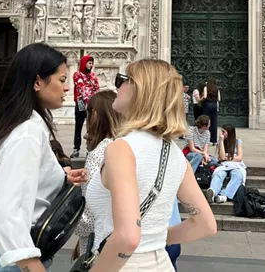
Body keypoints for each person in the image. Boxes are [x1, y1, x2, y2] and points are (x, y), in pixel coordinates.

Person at [86, 61, 217, 272]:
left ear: (141, 91)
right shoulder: (175, 154)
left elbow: (128, 238)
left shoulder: (122, 148)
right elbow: (206, 225)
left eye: (123, 80)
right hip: (161, 264)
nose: (117, 86)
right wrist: (153, 239)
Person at [0, 43, 87, 272]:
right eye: (62, 80)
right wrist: (33, 267)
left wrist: (58, 176)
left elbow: (14, 183)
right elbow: (6, 213)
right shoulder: (27, 133)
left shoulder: (18, 125)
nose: (67, 88)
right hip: (15, 263)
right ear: (37, 82)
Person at [73, 90, 121, 260]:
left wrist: (72, 225)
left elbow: (90, 212)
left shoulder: (101, 153)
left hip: (98, 244)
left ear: (95, 116)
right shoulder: (125, 147)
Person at [204, 125, 246, 204]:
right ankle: (213, 191)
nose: (221, 133)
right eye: (221, 131)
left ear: (229, 133)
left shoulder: (237, 142)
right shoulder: (220, 142)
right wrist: (221, 142)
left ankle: (224, 196)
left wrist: (227, 158)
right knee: (219, 174)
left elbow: (239, 157)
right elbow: (222, 157)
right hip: (224, 165)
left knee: (238, 175)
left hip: (236, 165)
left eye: (223, 132)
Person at [72, 55, 100, 158]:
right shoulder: (77, 75)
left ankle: (89, 149)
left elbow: (97, 88)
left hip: (92, 105)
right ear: (84, 63)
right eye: (89, 63)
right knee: (78, 127)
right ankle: (76, 149)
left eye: (92, 63)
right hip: (81, 104)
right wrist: (88, 99)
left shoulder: (93, 76)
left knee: (91, 128)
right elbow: (81, 88)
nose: (91, 65)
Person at [201, 76, 221, 144]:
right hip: (214, 105)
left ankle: (207, 139)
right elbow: (219, 99)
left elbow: (205, 97)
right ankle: (214, 140)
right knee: (214, 122)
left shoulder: (206, 88)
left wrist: (202, 97)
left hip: (207, 104)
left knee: (206, 121)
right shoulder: (217, 89)